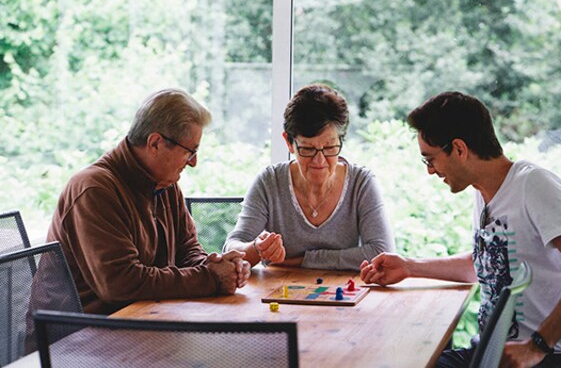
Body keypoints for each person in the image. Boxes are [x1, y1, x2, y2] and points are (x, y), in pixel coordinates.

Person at [359, 91, 561, 367]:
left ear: (459, 148)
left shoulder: (534, 185)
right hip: (495, 353)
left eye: (430, 159)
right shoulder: (483, 192)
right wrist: (409, 267)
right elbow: (484, 265)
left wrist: (537, 345)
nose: (430, 171)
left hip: (550, 358)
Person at [40, 88, 251, 315]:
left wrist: (219, 266)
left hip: (140, 320)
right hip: (77, 338)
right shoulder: (95, 189)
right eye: (190, 151)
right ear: (155, 143)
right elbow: (121, 283)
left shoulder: (166, 185)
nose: (193, 162)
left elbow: (188, 251)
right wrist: (210, 277)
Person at [223, 83, 395, 270]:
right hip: (279, 293)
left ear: (341, 140)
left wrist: (305, 260)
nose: (319, 161)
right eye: (307, 149)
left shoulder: (361, 183)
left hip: (343, 294)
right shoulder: (270, 181)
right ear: (289, 143)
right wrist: (256, 248)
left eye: (330, 148)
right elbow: (232, 248)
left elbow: (382, 253)